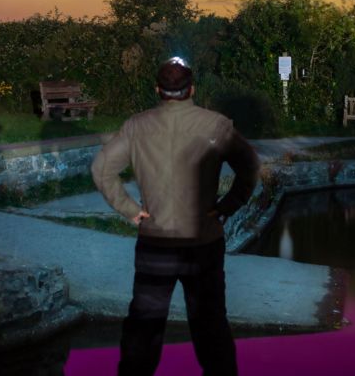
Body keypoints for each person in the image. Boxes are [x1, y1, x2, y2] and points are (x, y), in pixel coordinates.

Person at [92, 57, 261, 376]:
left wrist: (130, 210)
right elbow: (250, 166)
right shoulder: (217, 125)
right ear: (192, 89)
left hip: (156, 243)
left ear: (158, 90)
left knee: (144, 328)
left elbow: (101, 171)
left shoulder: (136, 126)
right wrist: (228, 205)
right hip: (204, 243)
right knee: (210, 326)